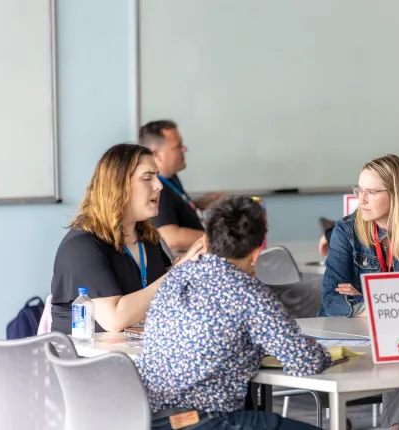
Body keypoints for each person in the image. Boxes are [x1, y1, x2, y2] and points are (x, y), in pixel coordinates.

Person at [138, 196, 329, 430]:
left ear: (206, 242)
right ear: (256, 253)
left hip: (148, 419)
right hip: (206, 421)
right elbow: (305, 362)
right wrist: (318, 351)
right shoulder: (250, 293)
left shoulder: (176, 278)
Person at [320, 154, 399, 430]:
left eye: (371, 192)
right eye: (359, 190)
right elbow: (331, 300)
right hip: (347, 337)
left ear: (397, 195)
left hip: (394, 336)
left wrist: (365, 300)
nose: (361, 199)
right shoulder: (346, 230)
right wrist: (396, 300)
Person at [50, 143, 204, 334]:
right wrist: (175, 276)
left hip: (137, 357)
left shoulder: (148, 238)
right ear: (118, 186)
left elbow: (163, 294)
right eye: (147, 178)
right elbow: (114, 319)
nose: (159, 185)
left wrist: (191, 270)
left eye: (156, 176)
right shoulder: (82, 246)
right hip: (87, 362)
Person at [139, 120, 225, 252]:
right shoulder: (156, 189)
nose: (184, 149)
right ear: (155, 154)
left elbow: (175, 211)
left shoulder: (170, 177)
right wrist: (221, 238)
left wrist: (202, 203)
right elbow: (171, 238)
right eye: (177, 146)